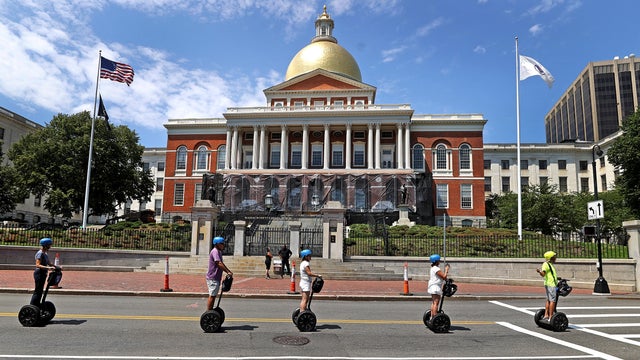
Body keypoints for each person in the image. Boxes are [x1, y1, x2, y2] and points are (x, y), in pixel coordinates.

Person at [206, 236, 233, 311]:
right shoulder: (215, 251)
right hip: (213, 277)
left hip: (216, 277)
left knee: (213, 295)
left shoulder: (218, 252)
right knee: (212, 295)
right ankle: (209, 312)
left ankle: (210, 312)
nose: (223, 245)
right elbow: (219, 263)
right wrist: (228, 271)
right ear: (217, 244)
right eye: (221, 243)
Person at [31, 238, 56, 306]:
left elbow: (49, 263)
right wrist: (48, 267)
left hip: (43, 273)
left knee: (40, 290)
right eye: (49, 245)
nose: (50, 247)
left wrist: (56, 267)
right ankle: (33, 305)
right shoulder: (40, 253)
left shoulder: (45, 253)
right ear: (45, 245)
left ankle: (37, 305)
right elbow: (37, 265)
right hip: (39, 273)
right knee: (38, 290)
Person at [536, 250, 559, 320]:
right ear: (551, 258)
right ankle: (551, 316)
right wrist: (540, 271)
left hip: (550, 284)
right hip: (551, 285)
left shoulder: (550, 265)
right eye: (554, 257)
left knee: (549, 300)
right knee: (553, 300)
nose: (555, 258)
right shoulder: (546, 264)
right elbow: (543, 274)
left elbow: (550, 274)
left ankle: (546, 315)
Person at [427, 253, 450, 320]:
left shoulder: (433, 268)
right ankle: (435, 318)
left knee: (434, 302)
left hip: (433, 286)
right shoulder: (436, 269)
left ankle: (432, 317)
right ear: (436, 261)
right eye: (439, 260)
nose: (439, 261)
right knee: (436, 303)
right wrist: (446, 270)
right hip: (435, 287)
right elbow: (444, 277)